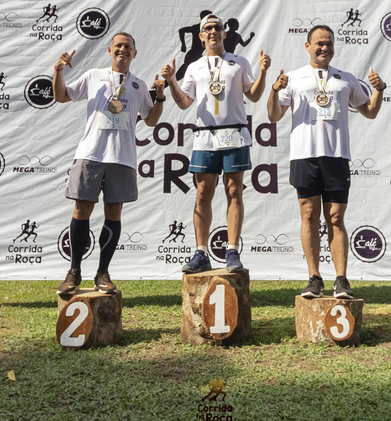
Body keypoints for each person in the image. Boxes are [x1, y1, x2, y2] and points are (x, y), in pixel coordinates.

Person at [267, 25, 383, 300]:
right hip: (304, 156)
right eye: (319, 43)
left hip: (336, 157)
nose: (324, 48)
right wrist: (274, 89)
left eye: (328, 44)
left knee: (335, 218)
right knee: (309, 216)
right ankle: (314, 278)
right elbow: (273, 116)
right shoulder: (292, 78)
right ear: (307, 46)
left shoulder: (346, 79)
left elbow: (370, 112)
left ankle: (341, 280)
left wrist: (378, 90)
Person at [53, 32, 165, 297]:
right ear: (109, 50)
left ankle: (102, 273)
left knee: (113, 213)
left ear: (135, 53)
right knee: (82, 210)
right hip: (91, 154)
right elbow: (60, 96)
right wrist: (57, 70)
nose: (122, 50)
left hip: (122, 158)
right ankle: (74, 272)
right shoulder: (93, 77)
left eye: (128, 46)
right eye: (118, 46)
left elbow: (151, 120)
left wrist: (160, 97)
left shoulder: (138, 85)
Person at [161, 15, 271, 274]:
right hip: (205, 136)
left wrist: (263, 72)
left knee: (234, 191)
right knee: (202, 193)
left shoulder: (239, 62)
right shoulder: (194, 67)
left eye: (217, 28)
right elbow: (184, 102)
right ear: (201, 36)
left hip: (235, 134)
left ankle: (232, 250)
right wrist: (172, 82)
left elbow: (253, 95)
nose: (213, 32)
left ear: (224, 33)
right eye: (208, 29)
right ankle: (201, 253)